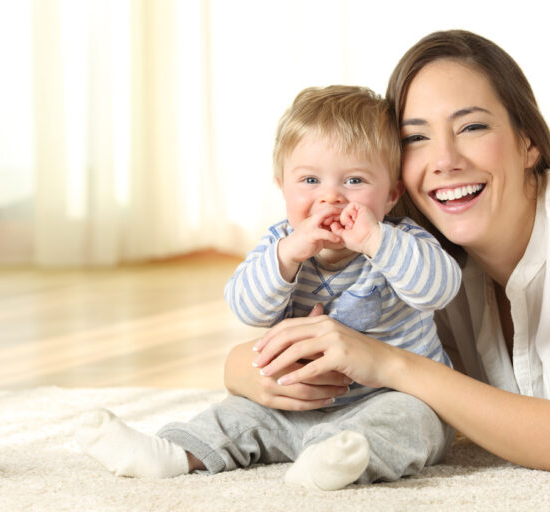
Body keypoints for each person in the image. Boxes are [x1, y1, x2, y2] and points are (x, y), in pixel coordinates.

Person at [226, 29, 550, 476]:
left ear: (528, 142)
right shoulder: (416, 251)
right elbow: (324, 350)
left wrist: (389, 363)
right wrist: (251, 371)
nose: (444, 161)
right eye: (416, 138)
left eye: (472, 127)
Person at [75, 85, 461, 490]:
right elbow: (246, 308)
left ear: (391, 194)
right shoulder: (281, 243)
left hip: (388, 398)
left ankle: (332, 460)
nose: (329, 196)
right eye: (310, 180)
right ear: (282, 186)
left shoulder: (401, 240)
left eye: (354, 180)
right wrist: (288, 257)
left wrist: (374, 241)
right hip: (294, 403)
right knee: (237, 414)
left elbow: (437, 290)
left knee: (412, 421)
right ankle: (171, 452)